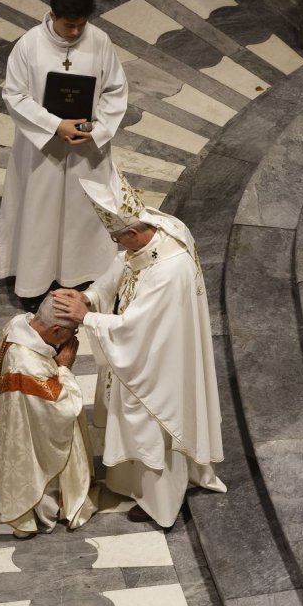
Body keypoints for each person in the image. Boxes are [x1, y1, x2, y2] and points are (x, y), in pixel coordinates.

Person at [53, 167, 226, 528]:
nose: (116, 245)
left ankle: (162, 504)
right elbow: (126, 266)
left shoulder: (168, 270)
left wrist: (85, 318)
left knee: (152, 425)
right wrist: (88, 295)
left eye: (118, 238)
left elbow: (135, 328)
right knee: (134, 423)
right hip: (154, 342)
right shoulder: (161, 228)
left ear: (133, 231)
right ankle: (130, 484)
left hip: (159, 361)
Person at [0, 0, 128, 304]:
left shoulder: (99, 41)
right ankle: (35, 283)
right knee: (39, 214)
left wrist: (95, 129)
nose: (75, 32)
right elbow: (14, 95)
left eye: (81, 24)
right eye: (69, 25)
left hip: (86, 144)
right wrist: (55, 125)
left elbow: (114, 90)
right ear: (52, 15)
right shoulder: (28, 46)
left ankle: (84, 276)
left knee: (84, 212)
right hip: (43, 149)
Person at [0, 294, 97, 537]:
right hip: (27, 439)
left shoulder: (15, 325)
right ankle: (30, 509)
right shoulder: (28, 365)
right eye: (72, 332)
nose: (73, 338)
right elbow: (62, 407)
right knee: (32, 480)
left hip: (8, 418)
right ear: (56, 330)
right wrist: (64, 368)